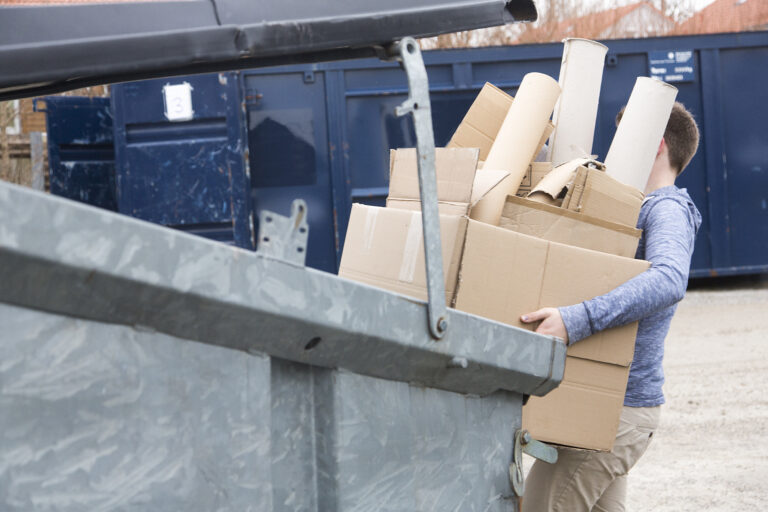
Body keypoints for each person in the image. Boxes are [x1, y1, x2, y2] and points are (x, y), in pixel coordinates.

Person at [520, 102, 703, 512]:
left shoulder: (667, 208)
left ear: (655, 145)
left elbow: (669, 278)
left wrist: (576, 320)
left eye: (623, 136)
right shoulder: (627, 206)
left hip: (618, 414)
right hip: (608, 408)